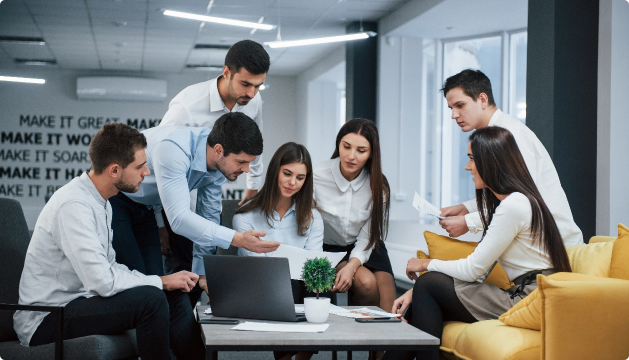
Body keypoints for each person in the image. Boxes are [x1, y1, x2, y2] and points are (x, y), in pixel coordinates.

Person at [14, 123, 206, 360]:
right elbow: (102, 282)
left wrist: (164, 283)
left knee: (170, 294)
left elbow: (111, 269)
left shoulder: (101, 201)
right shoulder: (74, 205)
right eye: (140, 166)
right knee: (152, 299)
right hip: (47, 318)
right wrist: (159, 281)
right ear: (114, 170)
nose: (147, 172)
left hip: (80, 303)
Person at [384, 127, 572, 360]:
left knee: (429, 284)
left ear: (491, 161)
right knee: (426, 292)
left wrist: (425, 264)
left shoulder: (515, 206)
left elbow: (474, 270)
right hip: (525, 294)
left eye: (472, 159)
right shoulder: (514, 203)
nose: (467, 167)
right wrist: (415, 291)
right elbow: (480, 271)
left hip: (530, 300)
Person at [110, 113, 280, 306]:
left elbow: (209, 217)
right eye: (241, 162)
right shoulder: (174, 149)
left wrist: (203, 274)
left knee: (154, 285)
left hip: (147, 206)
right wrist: (239, 239)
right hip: (118, 198)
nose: (247, 170)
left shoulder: (218, 164)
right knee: (142, 285)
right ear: (218, 150)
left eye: (249, 162)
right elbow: (179, 220)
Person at [157, 39, 270, 281]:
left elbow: (255, 142)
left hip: (211, 188)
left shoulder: (253, 100)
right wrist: (160, 223)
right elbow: (157, 167)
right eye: (246, 84)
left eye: (258, 86)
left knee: (207, 261)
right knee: (180, 265)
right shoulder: (186, 108)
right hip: (176, 196)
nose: (251, 93)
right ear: (226, 72)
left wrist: (254, 185)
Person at [438, 69, 583, 247]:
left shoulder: (510, 135)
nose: (454, 115)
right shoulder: (493, 135)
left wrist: (469, 222)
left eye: (460, 105)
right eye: (451, 108)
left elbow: (524, 199)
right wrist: (467, 208)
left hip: (555, 247)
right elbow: (508, 189)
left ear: (483, 99)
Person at [233, 142, 324, 360]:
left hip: (301, 285)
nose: (293, 183)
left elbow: (313, 263)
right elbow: (259, 268)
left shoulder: (313, 218)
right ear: (275, 170)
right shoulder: (245, 217)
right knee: (285, 281)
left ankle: (302, 357)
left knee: (318, 282)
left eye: (300, 178)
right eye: (287, 173)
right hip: (262, 287)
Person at [313, 119, 397, 315]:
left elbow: (367, 236)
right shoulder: (316, 175)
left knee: (389, 317)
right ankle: (354, 336)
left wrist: (352, 265)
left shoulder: (378, 186)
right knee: (366, 283)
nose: (351, 156)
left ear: (371, 154)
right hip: (328, 247)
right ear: (338, 145)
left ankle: (377, 347)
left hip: (367, 245)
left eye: (361, 150)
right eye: (346, 147)